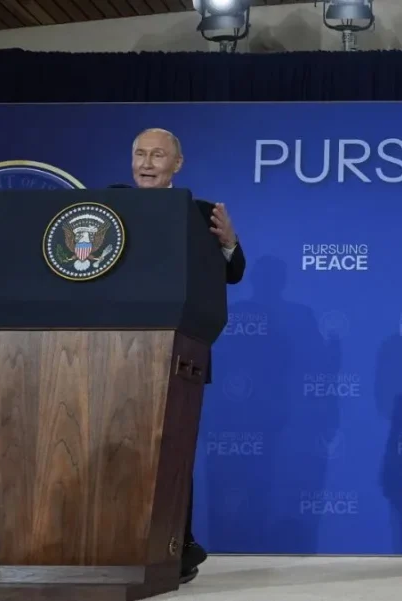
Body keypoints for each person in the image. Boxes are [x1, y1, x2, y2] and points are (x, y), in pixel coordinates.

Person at [129, 127, 247, 583]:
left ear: (177, 164)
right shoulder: (110, 209)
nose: (147, 162)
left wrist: (228, 242)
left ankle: (175, 546)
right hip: (111, 354)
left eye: (158, 155)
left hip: (178, 355)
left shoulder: (199, 214)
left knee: (172, 454)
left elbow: (232, 274)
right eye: (140, 153)